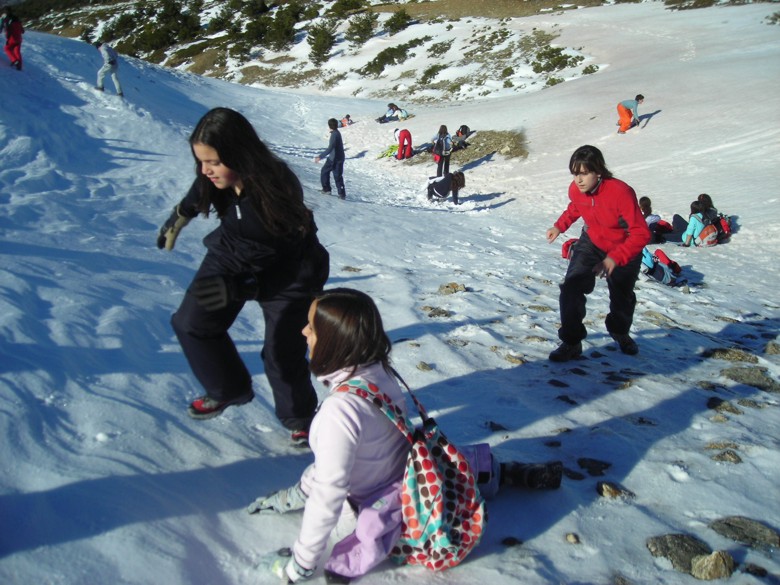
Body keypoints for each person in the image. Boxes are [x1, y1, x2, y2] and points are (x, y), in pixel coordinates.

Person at [247, 288, 563, 583]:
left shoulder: (339, 412)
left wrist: (301, 562)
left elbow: (327, 491)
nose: (304, 331)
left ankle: (363, 556)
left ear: (334, 341)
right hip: (411, 468)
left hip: (378, 497)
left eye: (312, 327)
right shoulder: (378, 371)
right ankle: (501, 473)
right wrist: (292, 496)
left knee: (369, 526)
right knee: (453, 465)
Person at [156, 108, 330, 443]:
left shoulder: (276, 191)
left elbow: (291, 261)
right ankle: (228, 388)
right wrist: (180, 216)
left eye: (213, 162)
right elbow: (201, 187)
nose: (205, 170)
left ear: (240, 153)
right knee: (191, 322)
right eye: (201, 161)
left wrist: (245, 287)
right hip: (232, 250)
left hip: (291, 270)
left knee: (280, 354)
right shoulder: (217, 176)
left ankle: (300, 417)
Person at [545, 145, 651, 362]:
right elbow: (576, 207)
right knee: (571, 288)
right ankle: (571, 342)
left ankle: (620, 332)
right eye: (575, 174)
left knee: (622, 298)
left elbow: (641, 233)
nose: (578, 180)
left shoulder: (621, 192)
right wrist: (559, 226)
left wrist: (614, 258)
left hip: (624, 246)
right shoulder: (576, 189)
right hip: (592, 242)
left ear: (599, 171)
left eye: (584, 173)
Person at [315, 118, 346, 200]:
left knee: (337, 176)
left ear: (329, 126)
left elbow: (330, 148)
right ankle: (328, 189)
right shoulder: (336, 133)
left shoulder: (335, 135)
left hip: (336, 160)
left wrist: (320, 156)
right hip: (334, 158)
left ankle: (340, 194)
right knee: (325, 172)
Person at [2, 6, 23, 71]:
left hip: (12, 38)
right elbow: (22, 30)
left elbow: (8, 30)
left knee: (6, 48)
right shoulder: (16, 18)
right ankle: (19, 66)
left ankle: (14, 61)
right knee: (17, 51)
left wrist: (8, 39)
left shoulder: (7, 19)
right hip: (19, 38)